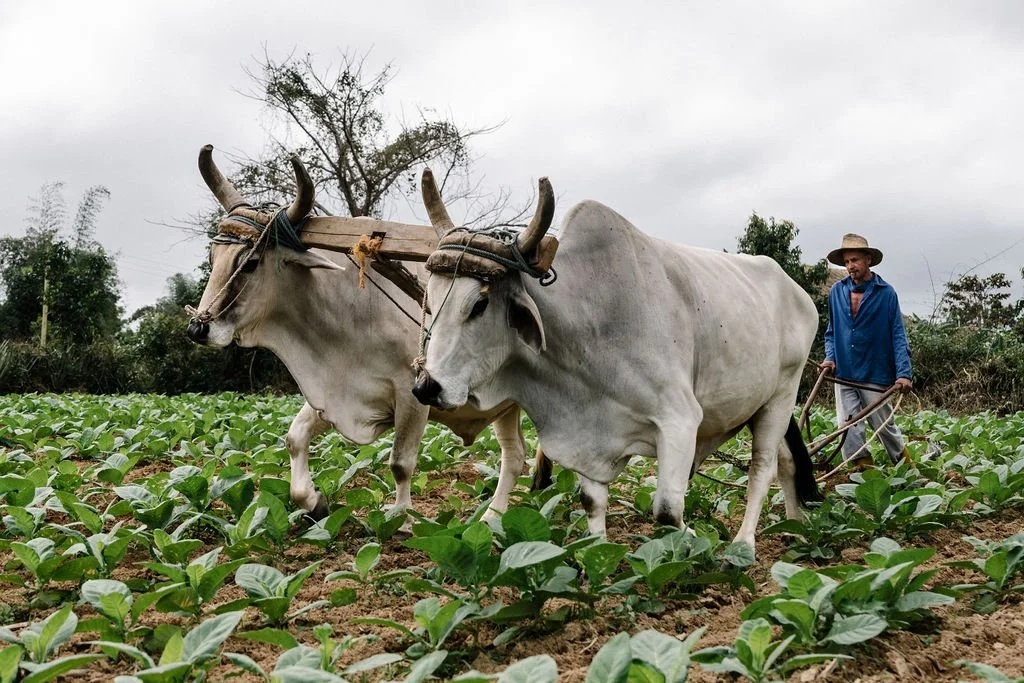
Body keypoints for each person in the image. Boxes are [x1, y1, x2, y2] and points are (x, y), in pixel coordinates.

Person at [820, 233, 912, 470]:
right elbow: (831, 331)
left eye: (855, 260)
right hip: (844, 371)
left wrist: (904, 373)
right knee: (848, 423)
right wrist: (830, 358)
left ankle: (904, 466)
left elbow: (898, 335)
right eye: (847, 262)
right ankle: (860, 471)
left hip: (875, 372)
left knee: (883, 424)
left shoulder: (886, 293)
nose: (850, 266)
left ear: (868, 259)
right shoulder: (837, 292)